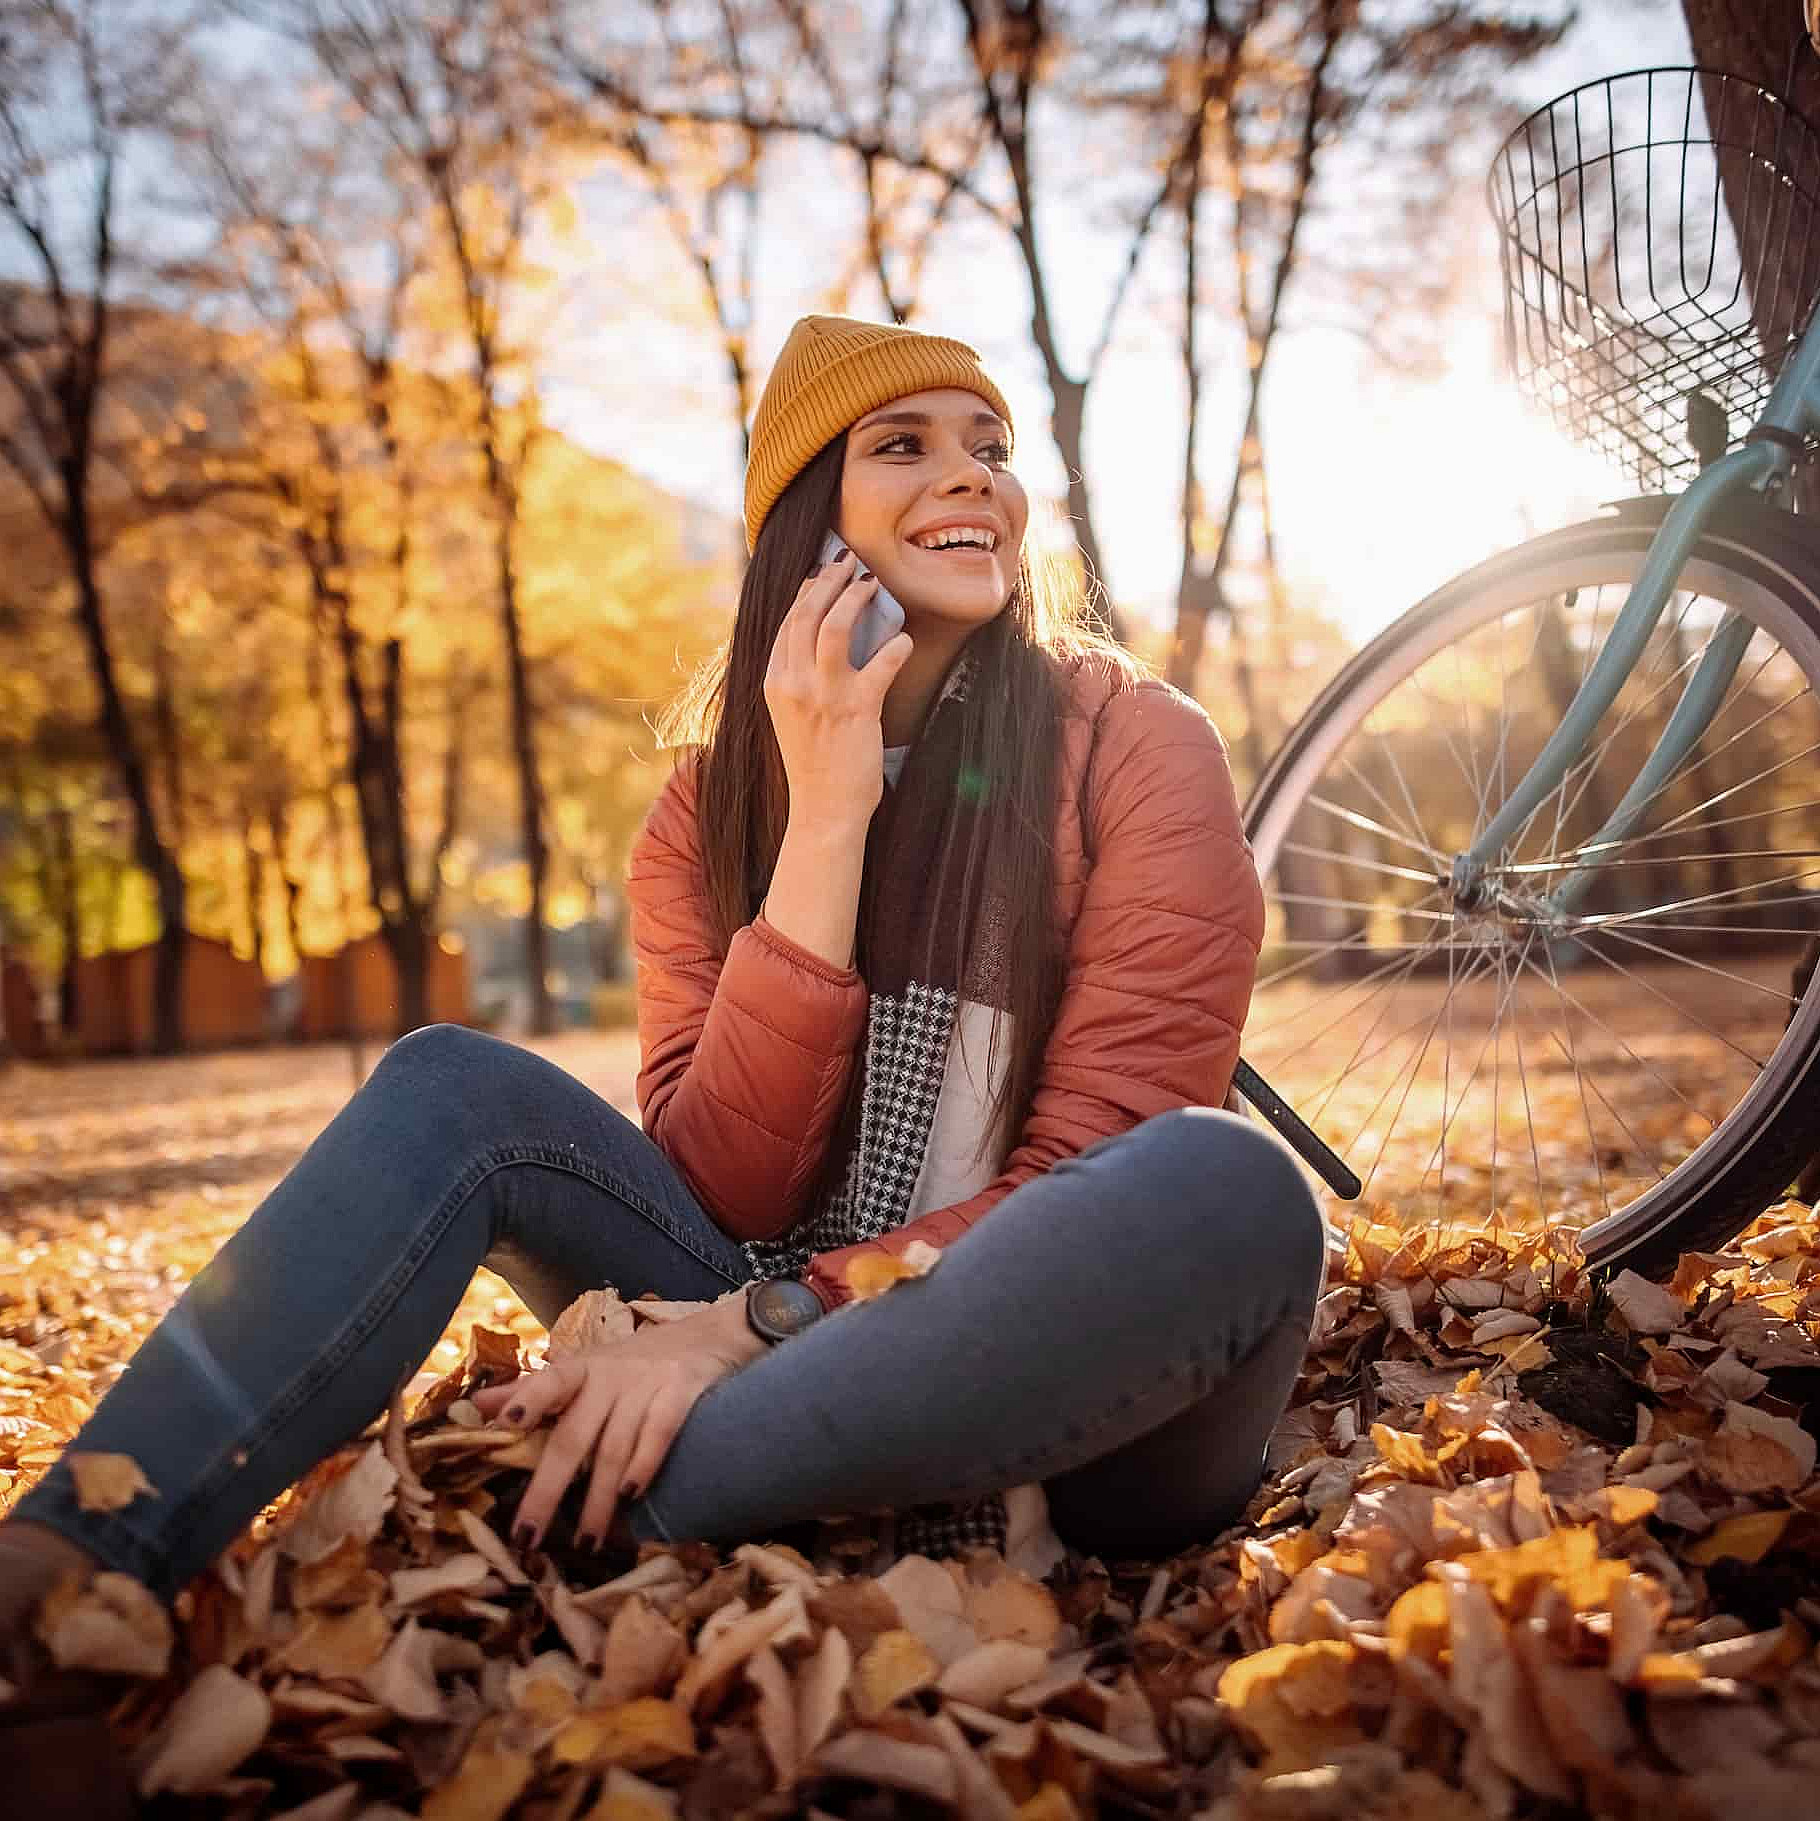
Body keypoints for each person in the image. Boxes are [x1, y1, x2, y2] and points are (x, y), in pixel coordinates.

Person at [0, 313, 1326, 1806]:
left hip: (1057, 1398)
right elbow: (722, 1175)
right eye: (905, 446)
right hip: (746, 1295)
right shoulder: (705, 814)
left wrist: (754, 1321)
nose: (978, 480)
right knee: (451, 1083)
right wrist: (824, 828)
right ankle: (55, 1589)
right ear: (803, 525)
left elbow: (1090, 1163)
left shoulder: (1133, 743)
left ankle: (639, 1487)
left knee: (1230, 1192)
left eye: (992, 447)